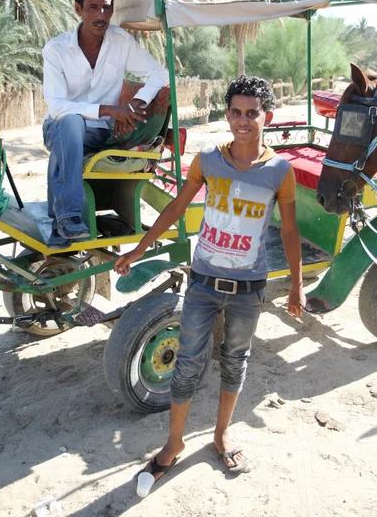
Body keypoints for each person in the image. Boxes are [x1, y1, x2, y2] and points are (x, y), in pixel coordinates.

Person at [115, 75, 305, 483]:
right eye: (235, 112)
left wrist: (296, 284)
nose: (243, 121)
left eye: (251, 114)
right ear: (227, 115)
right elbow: (177, 208)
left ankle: (220, 436)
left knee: (235, 363)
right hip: (202, 282)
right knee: (187, 364)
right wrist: (138, 249)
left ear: (266, 117)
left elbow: (288, 231)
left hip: (249, 289)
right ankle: (175, 442)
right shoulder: (208, 160)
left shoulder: (279, 171)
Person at [42, 0, 169, 248]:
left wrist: (138, 102)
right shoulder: (56, 50)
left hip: (98, 133)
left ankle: (60, 225)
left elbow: (160, 73)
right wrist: (110, 110)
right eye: (93, 7)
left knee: (73, 133)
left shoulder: (120, 41)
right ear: (78, 9)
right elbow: (57, 106)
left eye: (107, 7)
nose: (101, 15)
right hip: (57, 126)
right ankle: (68, 217)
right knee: (70, 125)